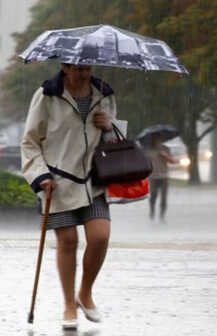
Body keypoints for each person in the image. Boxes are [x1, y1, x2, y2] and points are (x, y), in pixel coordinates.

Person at [21, 64, 117, 330]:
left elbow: (116, 139)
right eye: (78, 68)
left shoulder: (104, 93)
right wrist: (40, 176)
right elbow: (30, 141)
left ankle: (84, 293)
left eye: (87, 68)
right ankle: (68, 304)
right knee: (68, 241)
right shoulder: (48, 94)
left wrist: (110, 125)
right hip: (57, 182)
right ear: (65, 66)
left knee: (100, 236)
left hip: (94, 180)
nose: (84, 73)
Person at [144, 134, 179, 221]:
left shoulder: (165, 149)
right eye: (155, 139)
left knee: (164, 197)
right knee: (153, 195)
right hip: (153, 177)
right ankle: (152, 212)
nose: (156, 141)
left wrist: (165, 156)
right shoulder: (148, 150)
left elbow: (173, 161)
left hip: (164, 176)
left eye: (158, 139)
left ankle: (162, 215)